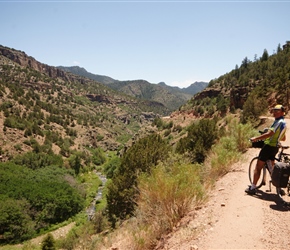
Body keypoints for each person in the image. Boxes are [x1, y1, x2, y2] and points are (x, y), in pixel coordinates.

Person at [245, 104, 287, 195]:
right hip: (275, 147)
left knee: (258, 167)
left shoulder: (278, 122)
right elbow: (283, 138)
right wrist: (276, 138)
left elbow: (269, 134)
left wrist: (256, 138)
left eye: (277, 111)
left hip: (268, 147)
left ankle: (252, 187)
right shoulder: (284, 123)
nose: (274, 112)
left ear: (282, 112)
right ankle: (279, 188)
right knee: (272, 169)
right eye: (274, 110)